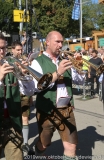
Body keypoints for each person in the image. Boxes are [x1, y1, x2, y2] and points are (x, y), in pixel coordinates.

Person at [30, 31, 84, 159]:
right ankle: (38, 152)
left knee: (71, 147)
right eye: (57, 42)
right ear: (47, 42)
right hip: (47, 110)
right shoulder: (37, 62)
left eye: (61, 42)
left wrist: (79, 67)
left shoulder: (66, 60)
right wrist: (58, 72)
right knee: (44, 143)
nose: (60, 45)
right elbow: (37, 88)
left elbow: (79, 81)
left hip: (66, 109)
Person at [10, 41, 35, 155]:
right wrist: (20, 69)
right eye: (18, 50)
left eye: (21, 50)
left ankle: (25, 143)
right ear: (12, 50)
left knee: (25, 118)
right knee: (14, 119)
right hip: (13, 93)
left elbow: (28, 78)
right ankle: (14, 142)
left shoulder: (23, 60)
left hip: (25, 92)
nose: (20, 52)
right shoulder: (8, 61)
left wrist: (26, 70)